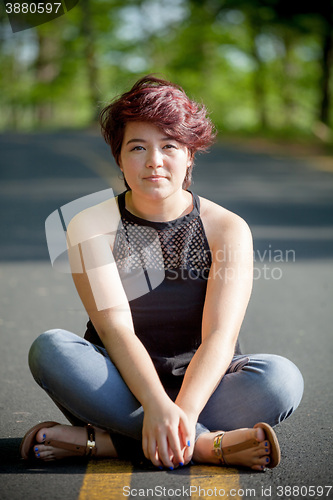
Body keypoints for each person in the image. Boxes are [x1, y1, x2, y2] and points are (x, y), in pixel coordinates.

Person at [20, 75, 304, 471]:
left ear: (189, 155)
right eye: (137, 147)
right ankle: (205, 445)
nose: (154, 161)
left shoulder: (227, 227)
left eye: (169, 146)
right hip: (118, 388)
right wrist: (155, 404)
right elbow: (115, 329)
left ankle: (110, 442)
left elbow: (220, 337)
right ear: (119, 158)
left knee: (281, 379)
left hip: (207, 388)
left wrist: (182, 413)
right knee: (50, 349)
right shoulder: (89, 225)